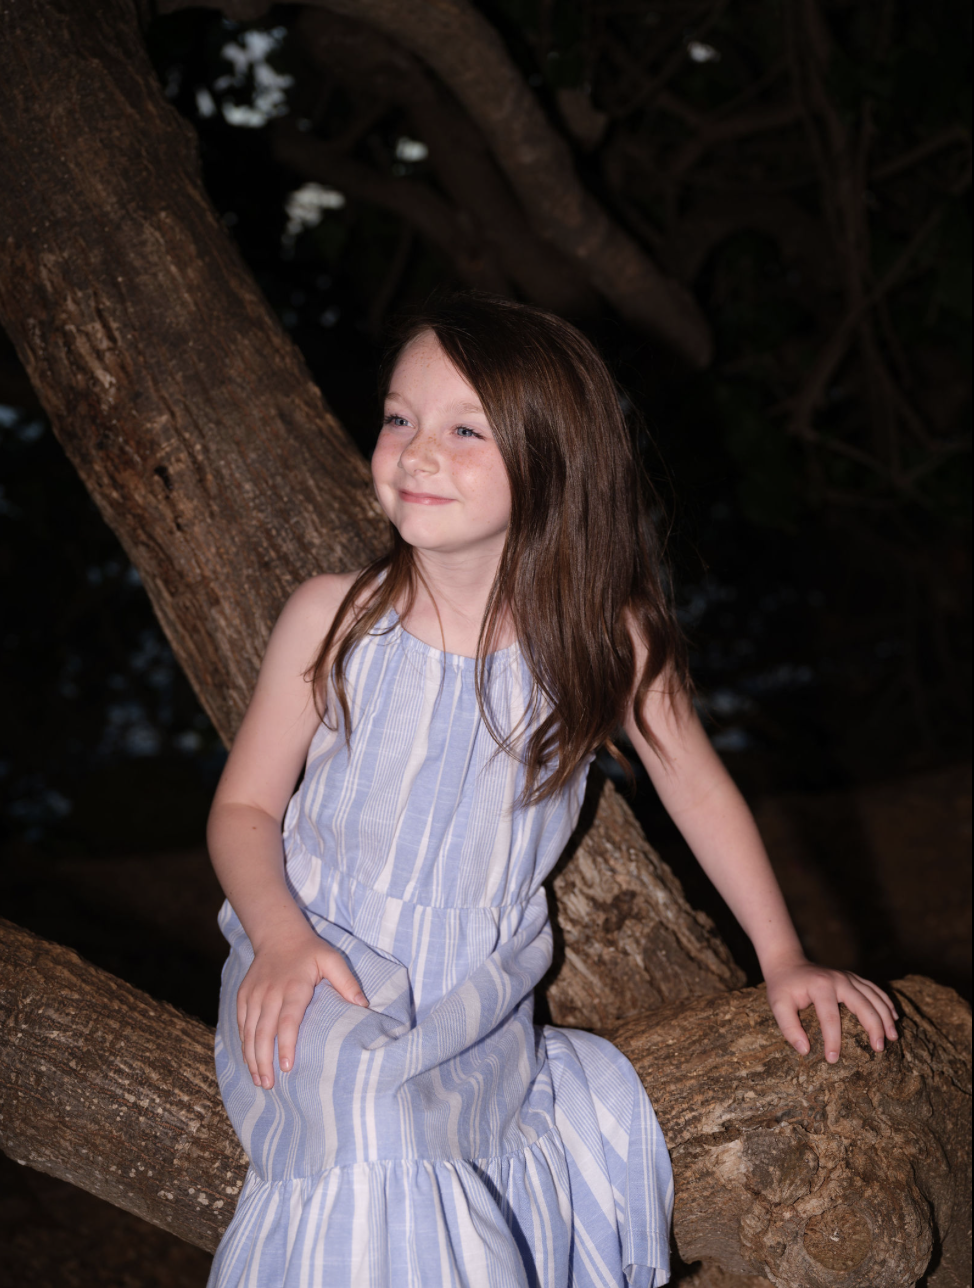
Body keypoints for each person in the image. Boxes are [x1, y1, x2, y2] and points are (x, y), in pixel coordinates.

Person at [205, 293, 898, 1288]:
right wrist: (277, 937)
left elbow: (699, 794)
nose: (414, 451)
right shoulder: (333, 617)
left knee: (451, 1146)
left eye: (463, 429)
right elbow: (243, 810)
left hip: (472, 985)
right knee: (365, 1118)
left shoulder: (607, 641)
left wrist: (781, 956)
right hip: (319, 952)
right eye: (398, 417)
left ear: (551, 463)